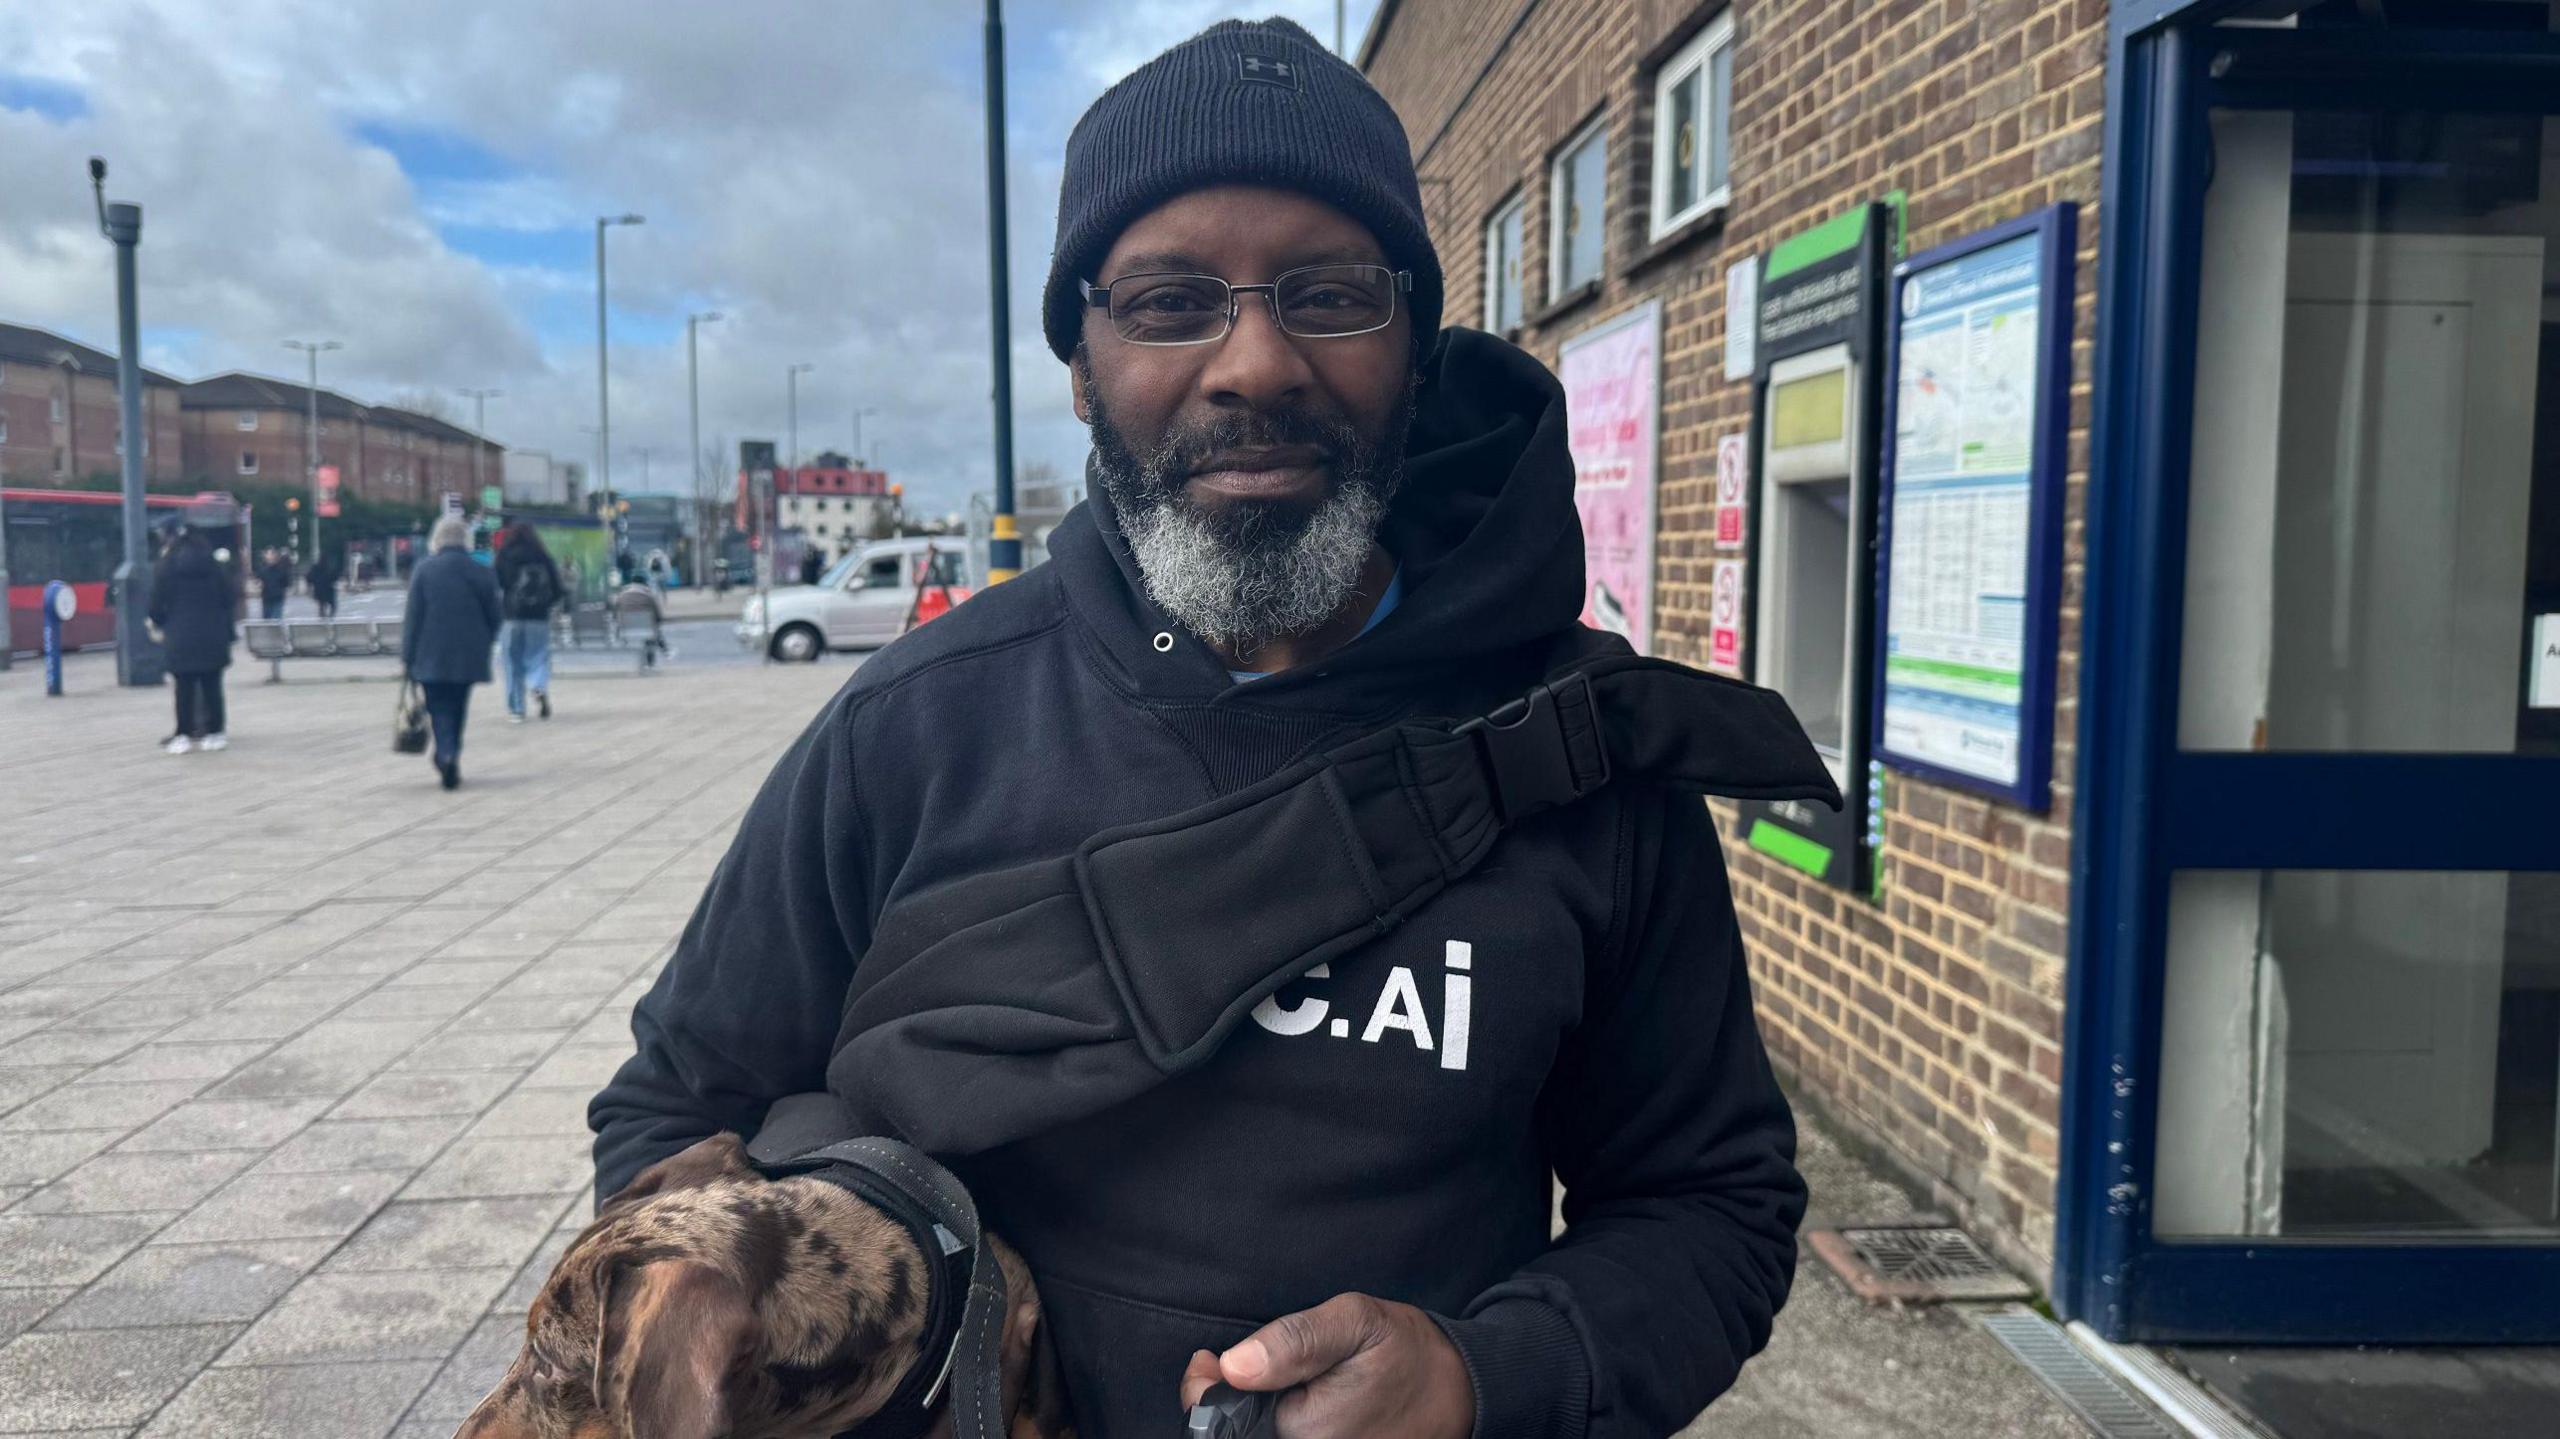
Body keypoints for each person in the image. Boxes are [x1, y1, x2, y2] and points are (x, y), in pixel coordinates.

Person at [590, 20, 1831, 1438]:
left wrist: (1487, 1377)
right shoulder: (914, 727)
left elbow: (1713, 1201)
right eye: (1173, 300)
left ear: (1417, 346)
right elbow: (676, 1104)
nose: (1255, 361)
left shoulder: (1578, 753)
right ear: (1080, 363)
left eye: (1331, 292)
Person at [401, 515, 502, 790]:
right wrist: (486, 641)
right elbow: (495, 615)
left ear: (437, 539)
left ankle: (446, 752)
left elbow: (413, 618)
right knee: (458, 705)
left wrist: (407, 656)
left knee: (438, 706)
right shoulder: (481, 571)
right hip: (468, 654)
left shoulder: (424, 570)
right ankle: (451, 752)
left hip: (430, 652)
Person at [148, 528, 235, 754]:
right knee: (212, 687)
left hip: (180, 635)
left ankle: (183, 734)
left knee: (183, 688)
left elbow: (156, 605)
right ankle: (215, 733)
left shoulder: (166, 568)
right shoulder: (215, 568)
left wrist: (162, 622)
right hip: (213, 635)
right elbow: (228, 598)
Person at [492, 521, 564, 723]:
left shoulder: (504, 556)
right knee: (538, 655)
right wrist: (547, 604)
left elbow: (495, 584)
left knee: (511, 662)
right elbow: (558, 588)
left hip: (512, 617)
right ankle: (538, 685)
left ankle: (516, 709)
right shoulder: (543, 557)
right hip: (539, 617)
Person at [255, 548, 293, 621]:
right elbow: (259, 580)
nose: (270, 558)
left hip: (277, 598)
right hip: (267, 598)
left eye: (271, 555)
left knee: (276, 620)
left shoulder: (281, 570)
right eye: (268, 555)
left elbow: (286, 582)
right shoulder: (263, 570)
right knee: (267, 620)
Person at [308, 548, 342, 619]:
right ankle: (329, 618)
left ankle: (323, 620)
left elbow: (309, 578)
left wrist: (312, 585)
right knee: (333, 606)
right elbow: (334, 577)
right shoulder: (329, 568)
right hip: (328, 590)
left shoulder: (315, 567)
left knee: (322, 606)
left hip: (319, 590)